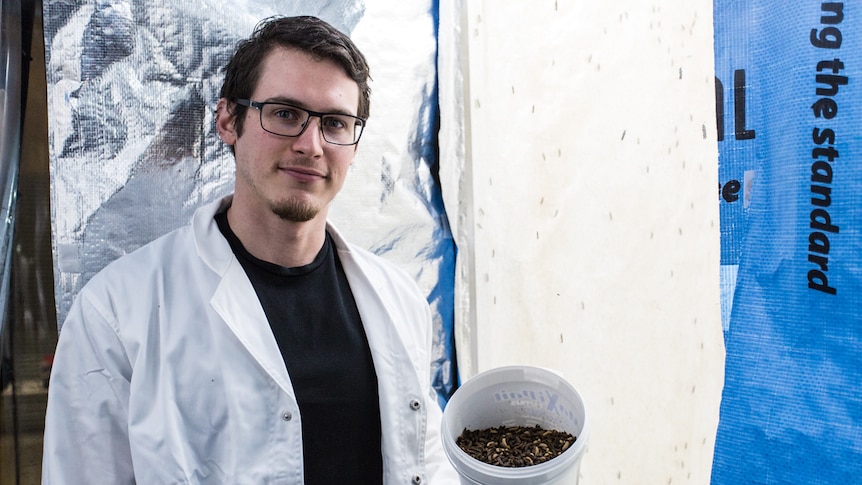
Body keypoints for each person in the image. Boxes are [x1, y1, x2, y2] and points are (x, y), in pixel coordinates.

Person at [42, 15, 459, 484]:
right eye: (284, 113)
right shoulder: (119, 311)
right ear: (228, 120)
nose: (311, 145)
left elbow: (424, 461)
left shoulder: (397, 300)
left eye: (336, 123)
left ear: (354, 144)